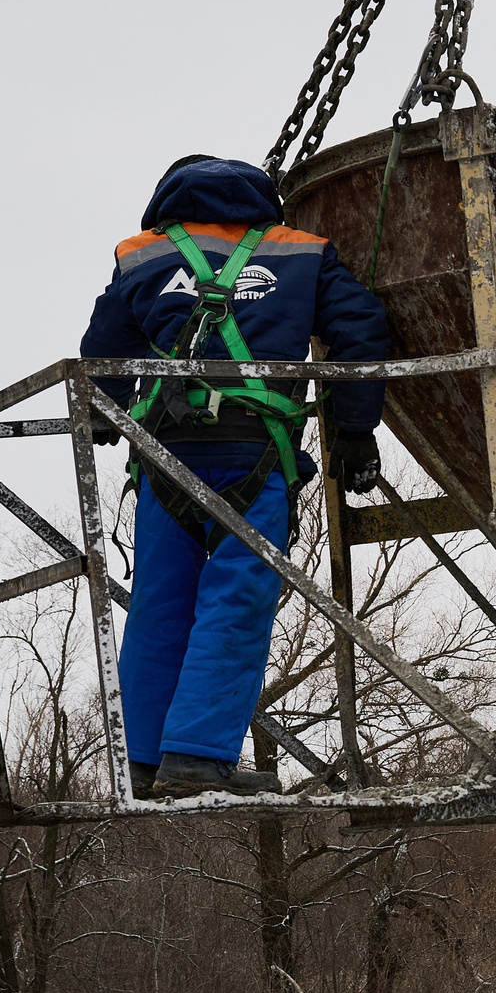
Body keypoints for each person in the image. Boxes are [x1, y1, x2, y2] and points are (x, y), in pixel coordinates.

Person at [80, 156, 390, 799]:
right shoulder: (302, 251)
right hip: (254, 452)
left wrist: (103, 409)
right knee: (237, 599)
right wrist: (355, 428)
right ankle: (195, 758)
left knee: (159, 602)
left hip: (163, 455)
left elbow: (104, 345)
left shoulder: (142, 253)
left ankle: (142, 761)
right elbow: (360, 329)